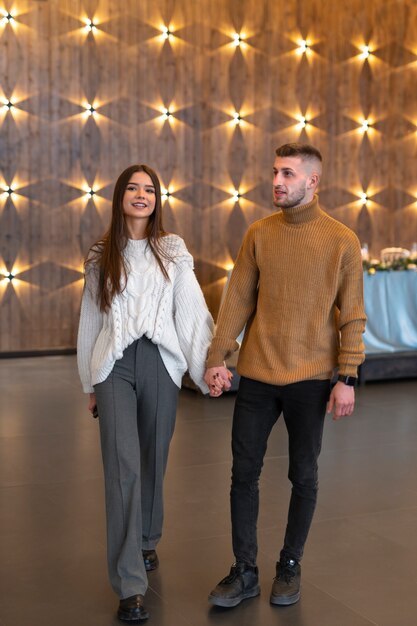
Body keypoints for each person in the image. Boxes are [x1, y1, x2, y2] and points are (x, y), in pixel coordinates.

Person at [204, 143, 366, 608]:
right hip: (256, 374)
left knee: (304, 474)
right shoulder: (259, 233)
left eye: (288, 174)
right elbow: (237, 300)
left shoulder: (342, 240)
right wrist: (219, 357)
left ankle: (290, 564)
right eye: (275, 172)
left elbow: (352, 315)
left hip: (311, 378)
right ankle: (245, 570)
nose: (277, 181)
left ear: (313, 182)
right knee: (243, 474)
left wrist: (347, 376)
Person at [77, 164, 213, 622]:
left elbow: (190, 310)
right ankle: (130, 584)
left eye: (149, 189)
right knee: (123, 466)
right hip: (113, 366)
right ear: (119, 197)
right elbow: (91, 323)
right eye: (132, 188)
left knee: (154, 455)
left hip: (159, 362)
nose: (141, 195)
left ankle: (147, 538)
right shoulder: (102, 254)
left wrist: (206, 367)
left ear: (157, 199)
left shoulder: (171, 249)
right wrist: (88, 382)